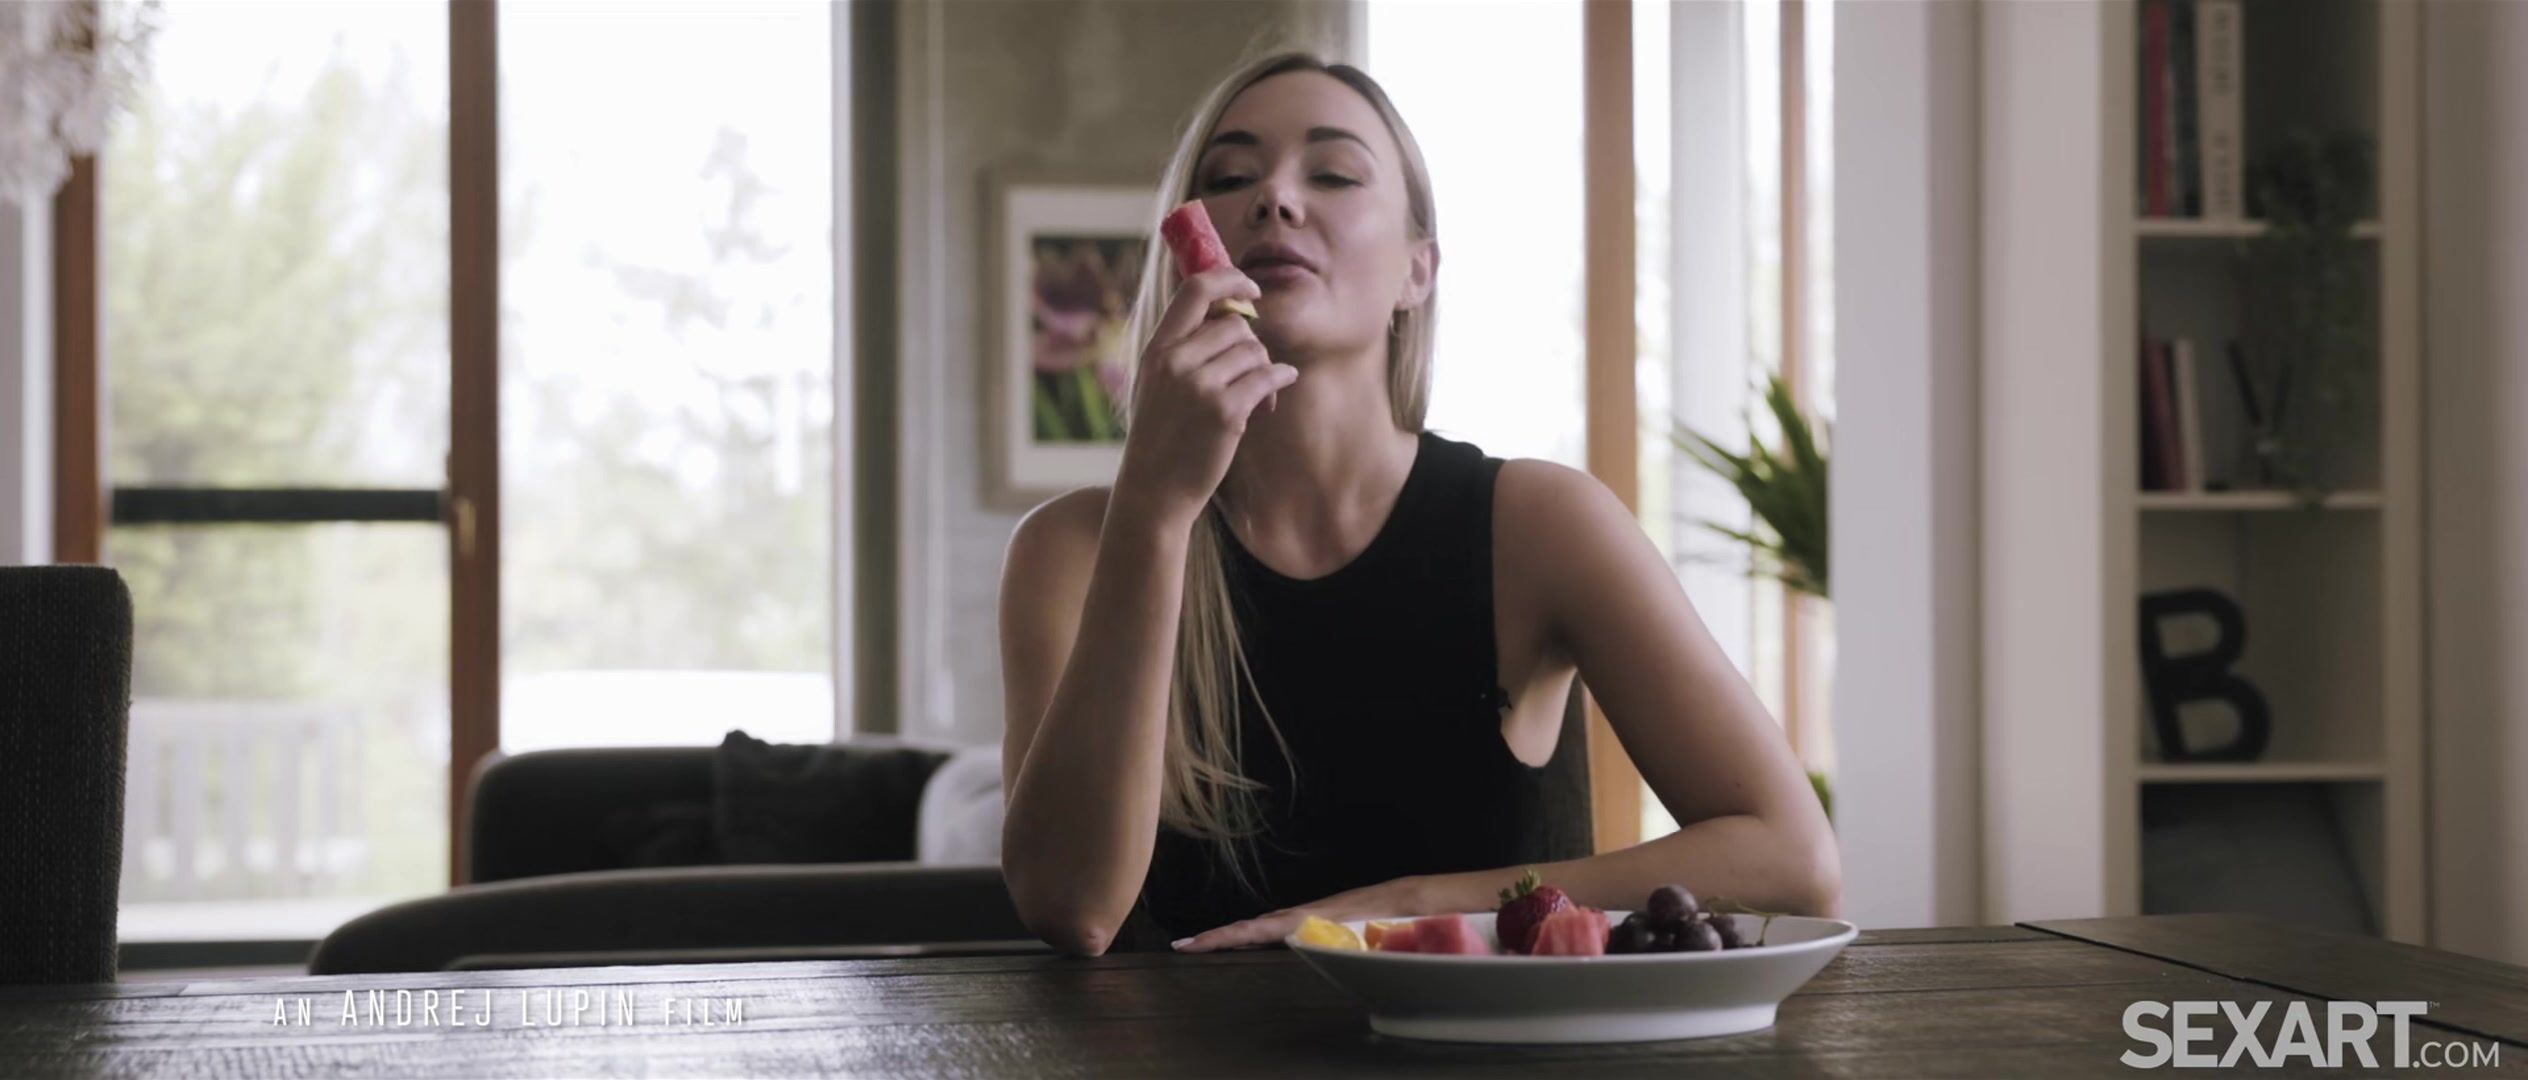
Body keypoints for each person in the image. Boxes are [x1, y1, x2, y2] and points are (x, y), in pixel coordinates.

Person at [996, 50, 1839, 957]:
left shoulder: (1542, 526)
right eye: (1231, 177)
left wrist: (1409, 903)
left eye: (1333, 173)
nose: (1274, 198)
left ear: (1418, 271)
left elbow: (1793, 862)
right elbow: (1072, 908)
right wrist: (1156, 512)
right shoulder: (1073, 548)